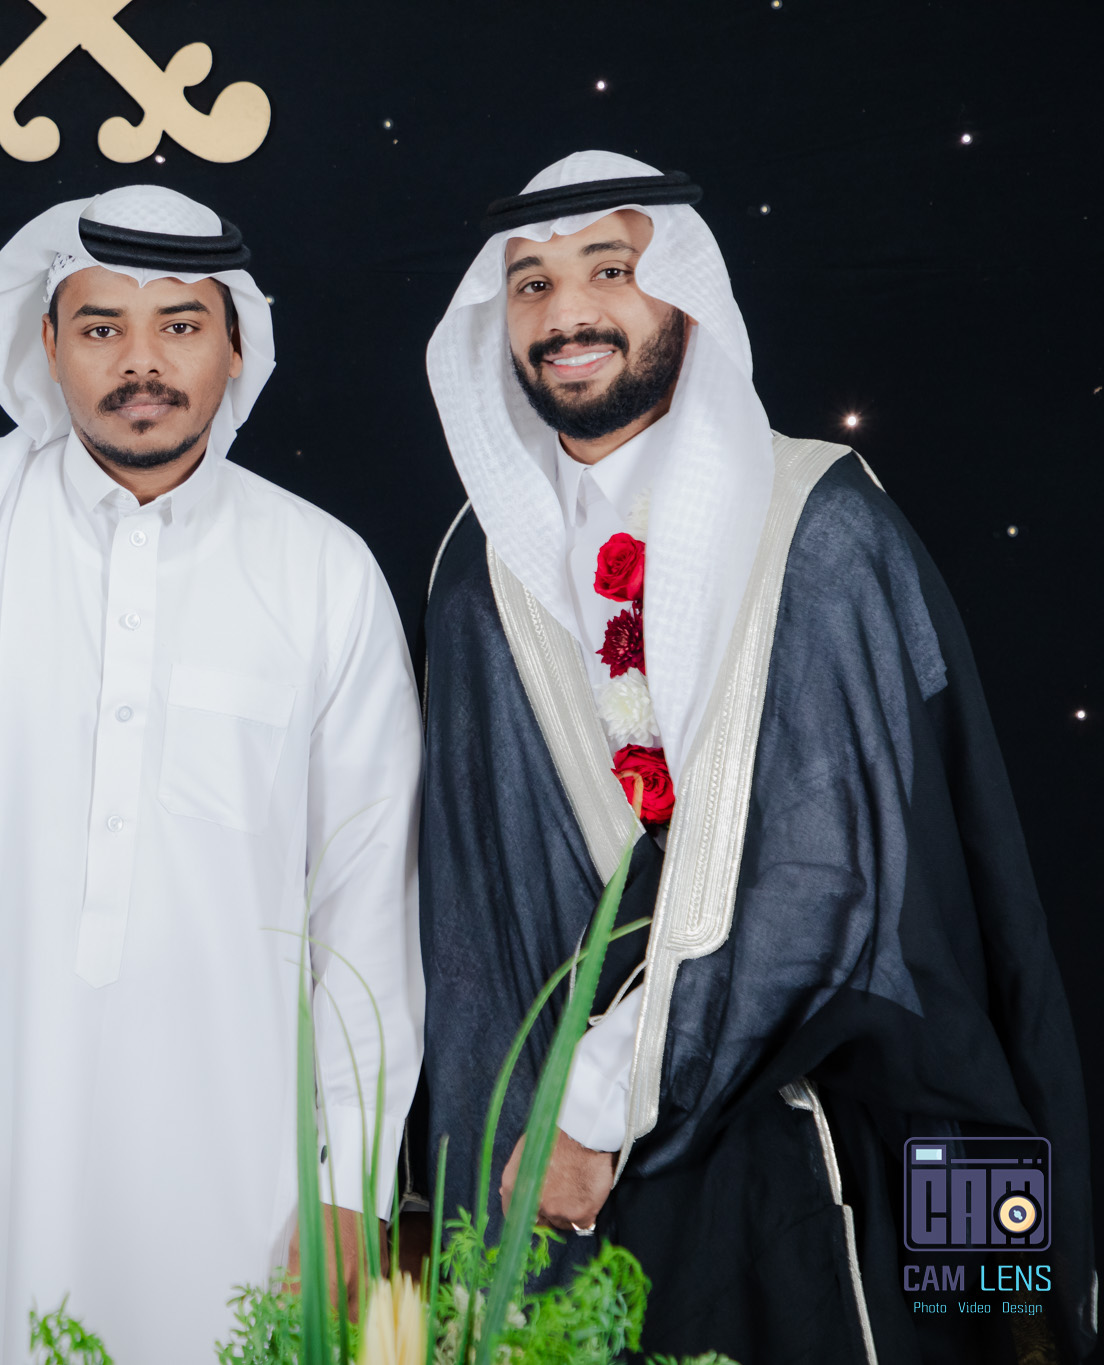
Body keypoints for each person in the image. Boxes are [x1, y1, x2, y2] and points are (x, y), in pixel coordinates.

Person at [416, 150, 1096, 1363]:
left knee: (949, 1314)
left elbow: (831, 881)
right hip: (581, 1180)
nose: (566, 314)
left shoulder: (816, 527)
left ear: (682, 295)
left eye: (608, 271)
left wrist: (598, 1101)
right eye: (529, 284)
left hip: (835, 1119)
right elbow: (474, 920)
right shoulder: (481, 574)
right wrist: (497, 1183)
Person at [0, 185, 425, 1362]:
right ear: (47, 344)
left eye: (178, 325)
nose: (139, 362)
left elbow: (365, 907)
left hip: (235, 1159)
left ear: (234, 347)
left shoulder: (322, 573)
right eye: (101, 327)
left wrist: (351, 1177)